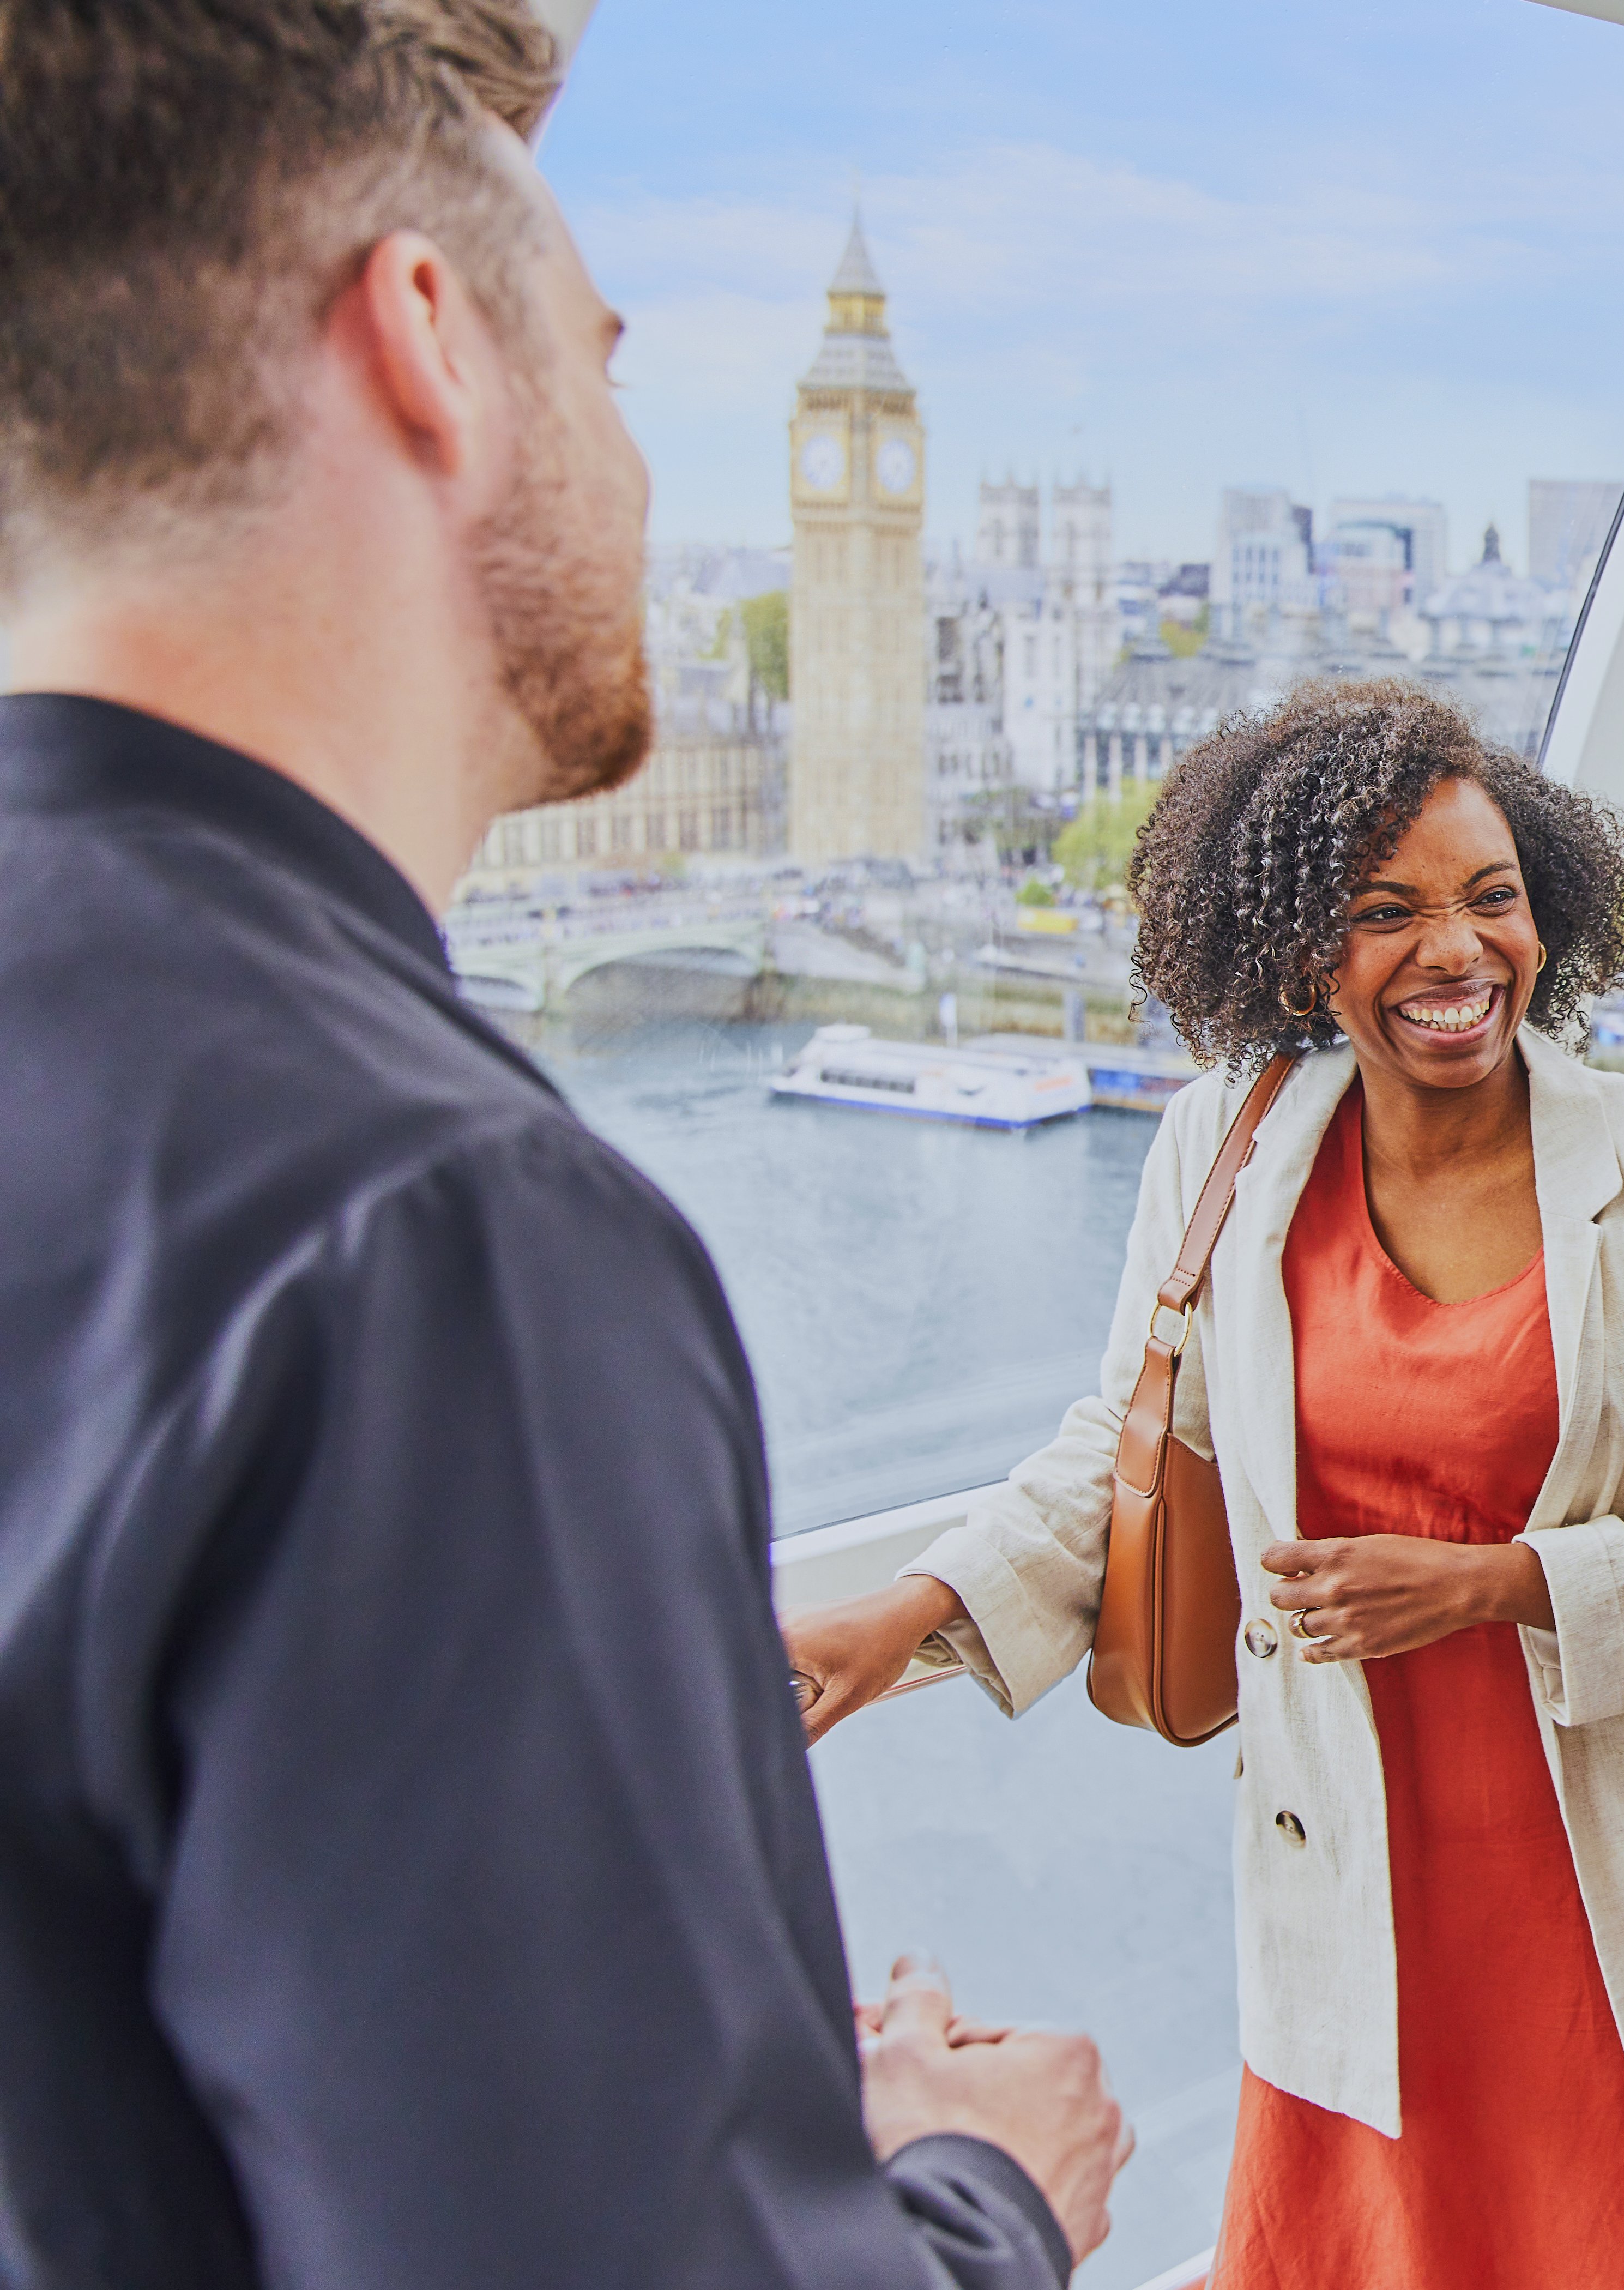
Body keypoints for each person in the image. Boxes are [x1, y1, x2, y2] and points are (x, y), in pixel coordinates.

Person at [0, 3, 1127, 2284]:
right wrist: (974, 2192)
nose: (632, 452)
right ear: (430, 338)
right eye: (606, 359)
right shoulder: (432, 1228)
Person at [783, 681, 1624, 2286]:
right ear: (1296, 950)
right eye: (1385, 913)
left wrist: (1502, 1586)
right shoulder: (1228, 1147)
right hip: (1356, 1882)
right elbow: (1126, 1447)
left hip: (1618, 1893)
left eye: (1495, 898)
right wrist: (910, 1616)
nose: (1459, 951)